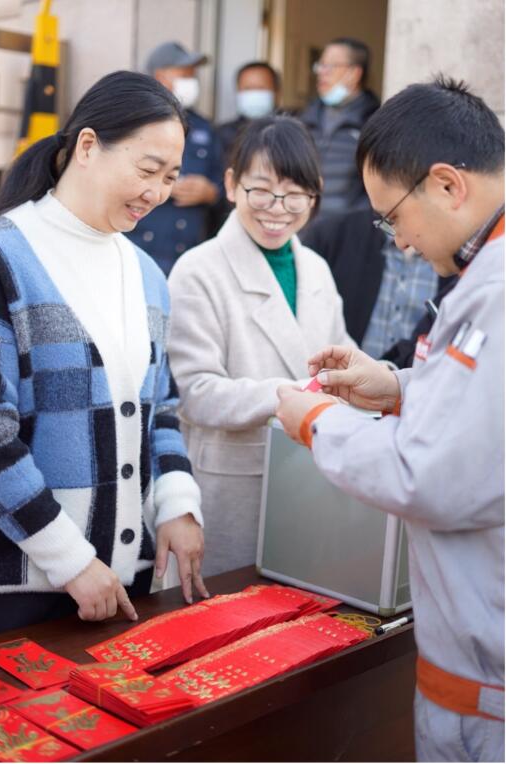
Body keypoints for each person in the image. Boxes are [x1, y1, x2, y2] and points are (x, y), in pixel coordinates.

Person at [276, 76, 504, 762]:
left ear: (447, 185)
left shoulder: (494, 292)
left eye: (393, 217)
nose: (399, 242)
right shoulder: (484, 275)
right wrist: (400, 386)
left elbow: (429, 475)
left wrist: (319, 421)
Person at [0, 70, 208, 633]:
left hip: (121, 582)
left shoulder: (146, 274)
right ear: (87, 146)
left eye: (170, 177)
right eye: (147, 169)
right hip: (24, 591)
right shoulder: (7, 257)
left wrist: (177, 503)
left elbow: (161, 406)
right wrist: (70, 559)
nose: (156, 193)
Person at [167, 115, 355, 577]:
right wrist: (291, 395)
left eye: (295, 194)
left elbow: (344, 355)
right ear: (232, 185)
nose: (278, 209)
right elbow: (195, 392)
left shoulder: (316, 268)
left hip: (311, 481)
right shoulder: (197, 270)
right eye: (262, 191)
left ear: (315, 195)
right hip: (231, 489)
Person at [302, 206, 455, 362]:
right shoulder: (333, 235)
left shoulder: (456, 254)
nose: (401, 242)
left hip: (422, 373)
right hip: (342, 370)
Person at [126, 42, 224, 275]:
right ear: (160, 76)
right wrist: (161, 183)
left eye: (193, 76)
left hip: (188, 258)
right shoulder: (133, 122)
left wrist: (211, 193)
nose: (192, 82)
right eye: (184, 75)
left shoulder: (204, 127)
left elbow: (224, 185)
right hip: (140, 251)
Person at [300, 37, 379, 218]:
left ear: (354, 73)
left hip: (349, 229)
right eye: (320, 65)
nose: (322, 72)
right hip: (306, 226)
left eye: (331, 66)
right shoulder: (304, 120)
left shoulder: (375, 124)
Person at [217, 61, 281, 166]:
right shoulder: (221, 134)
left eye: (260, 88)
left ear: (277, 92)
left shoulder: (290, 134)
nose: (254, 94)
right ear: (237, 92)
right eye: (248, 89)